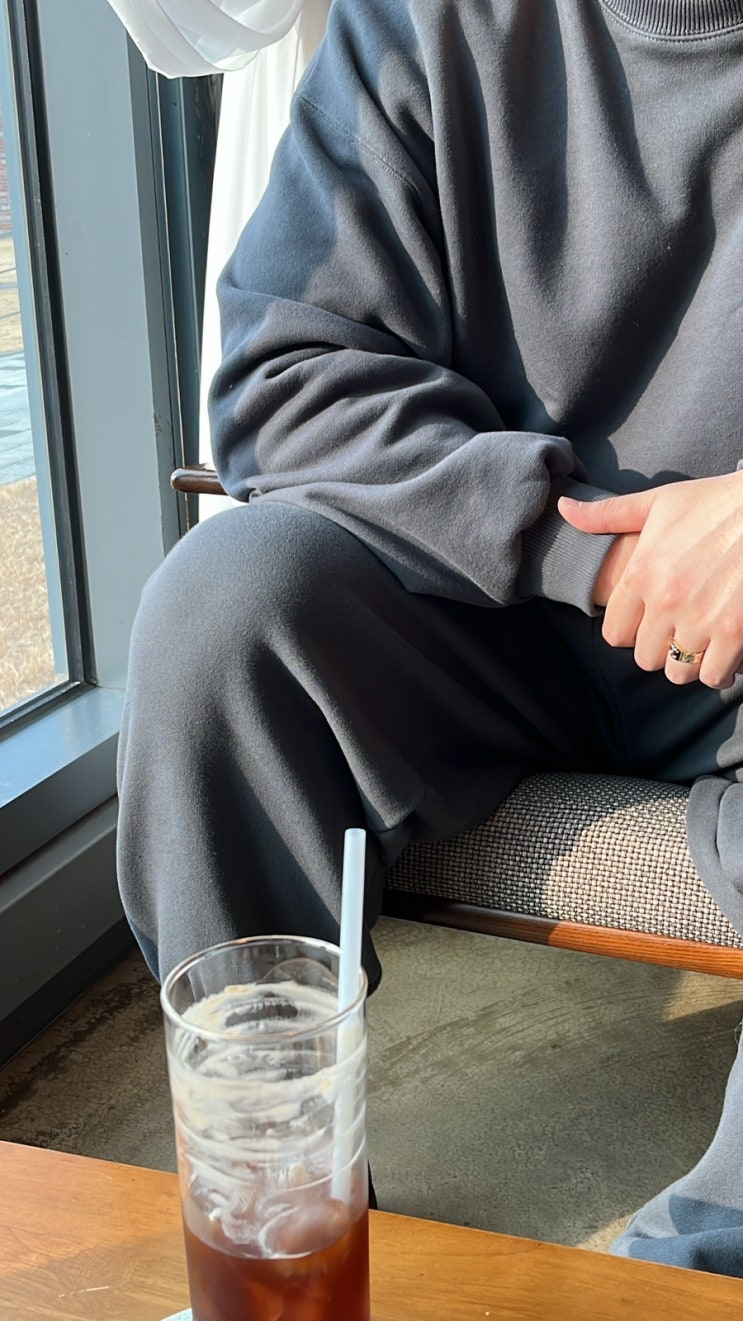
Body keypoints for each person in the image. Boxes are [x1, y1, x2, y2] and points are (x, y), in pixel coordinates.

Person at [116, 0, 743, 1275]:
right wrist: (589, 551)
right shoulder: (424, 19)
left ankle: (694, 1275)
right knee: (220, 607)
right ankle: (278, 1230)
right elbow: (285, 377)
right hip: (492, 619)